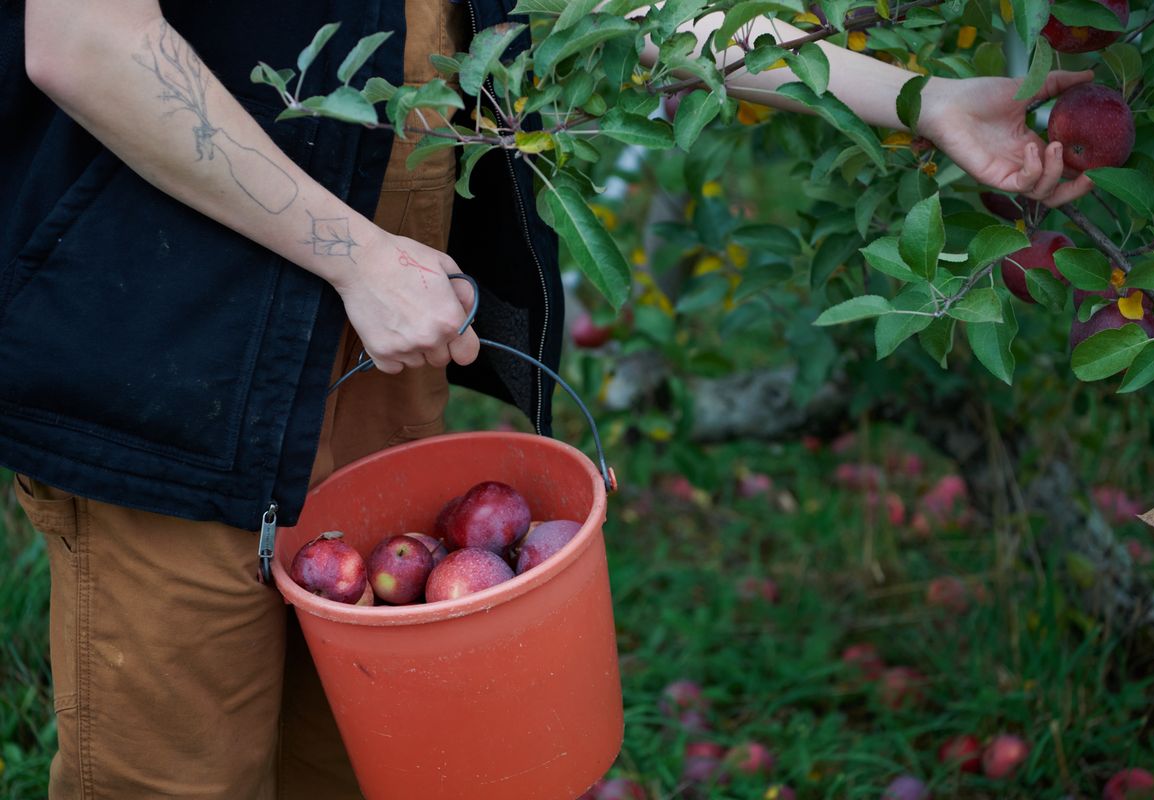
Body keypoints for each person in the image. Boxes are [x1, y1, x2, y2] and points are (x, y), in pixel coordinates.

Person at [3, 0, 1091, 797]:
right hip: (162, 360)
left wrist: (923, 96)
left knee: (356, 753)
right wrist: (355, 257)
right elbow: (84, 36)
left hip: (368, 363)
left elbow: (621, 11)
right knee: (175, 776)